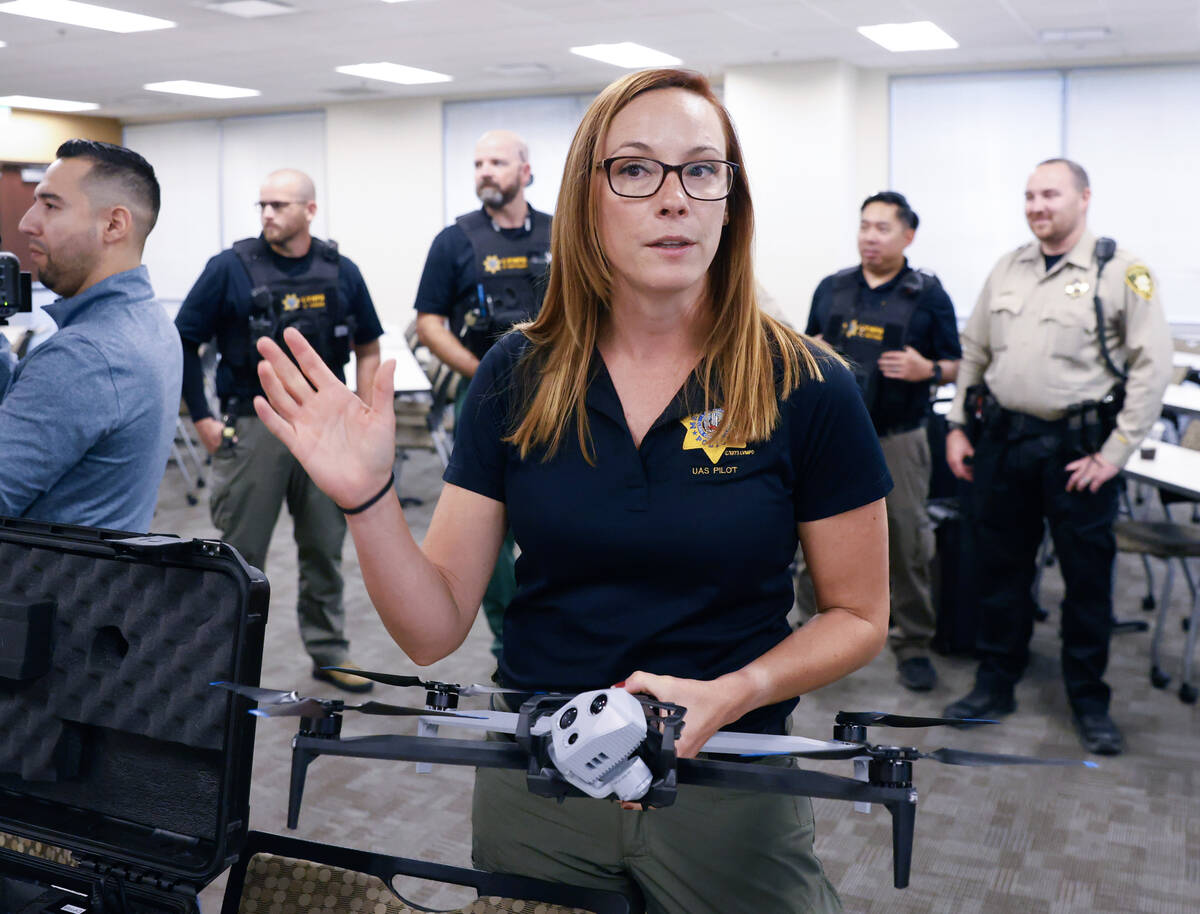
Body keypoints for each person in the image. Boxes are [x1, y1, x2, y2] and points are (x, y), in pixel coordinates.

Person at [251, 68, 890, 913]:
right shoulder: (520, 372)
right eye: (635, 169)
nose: (675, 199)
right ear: (587, 200)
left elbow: (858, 616)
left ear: (730, 200)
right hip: (541, 784)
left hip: (729, 785)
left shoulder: (807, 382)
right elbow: (433, 628)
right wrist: (367, 500)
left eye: (703, 170)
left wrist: (733, 693)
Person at [942, 158, 1173, 755]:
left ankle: (1088, 699)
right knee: (1001, 572)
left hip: (1079, 451)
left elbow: (1154, 367)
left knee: (1087, 581)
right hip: (1005, 444)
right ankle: (995, 682)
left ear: (1084, 198)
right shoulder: (1008, 267)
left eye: (1050, 194)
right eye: (1029, 195)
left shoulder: (1123, 271)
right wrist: (959, 425)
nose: (1037, 205)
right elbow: (975, 351)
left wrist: (1116, 453)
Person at [175, 169, 384, 693]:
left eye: (279, 205)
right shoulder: (229, 268)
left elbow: (369, 345)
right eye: (261, 205)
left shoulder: (341, 271)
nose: (267, 214)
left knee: (323, 548)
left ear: (309, 210)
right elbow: (184, 342)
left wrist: (360, 409)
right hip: (252, 424)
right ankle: (222, 658)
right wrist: (201, 416)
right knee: (241, 554)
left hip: (325, 431)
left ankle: (330, 652)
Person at [806, 192, 961, 692]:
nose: (870, 236)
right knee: (814, 540)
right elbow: (806, 345)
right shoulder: (832, 288)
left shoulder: (929, 295)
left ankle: (914, 642)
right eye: (864, 226)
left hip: (900, 437)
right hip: (832, 440)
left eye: (882, 228)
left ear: (907, 235)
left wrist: (928, 369)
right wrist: (815, 352)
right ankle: (808, 637)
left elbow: (960, 363)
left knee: (910, 543)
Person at [414, 129, 552, 658]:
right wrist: (485, 370)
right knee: (484, 522)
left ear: (526, 170)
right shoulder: (455, 241)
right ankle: (507, 638)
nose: (485, 171)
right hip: (482, 393)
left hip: (560, 392)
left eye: (497, 161)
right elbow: (428, 323)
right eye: (477, 163)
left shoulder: (560, 232)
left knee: (556, 507)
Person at [0, 140, 180, 532]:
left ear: (114, 224)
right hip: (101, 583)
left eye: (51, 205)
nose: (27, 223)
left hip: (38, 587)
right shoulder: (152, 321)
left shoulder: (84, 357)